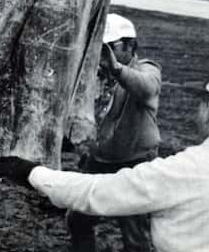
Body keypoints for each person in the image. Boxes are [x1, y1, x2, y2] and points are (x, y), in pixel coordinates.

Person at [0, 57, 209, 252]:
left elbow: (98, 193)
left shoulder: (186, 169)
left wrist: (30, 171)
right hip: (106, 159)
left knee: (134, 234)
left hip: (129, 163)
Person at [66, 13, 161, 252]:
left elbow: (147, 88)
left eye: (110, 46)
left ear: (130, 45)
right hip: (98, 161)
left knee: (135, 234)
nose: (103, 52)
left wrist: (116, 69)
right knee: (78, 220)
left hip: (135, 164)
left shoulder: (146, 69)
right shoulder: (94, 73)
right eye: (100, 46)